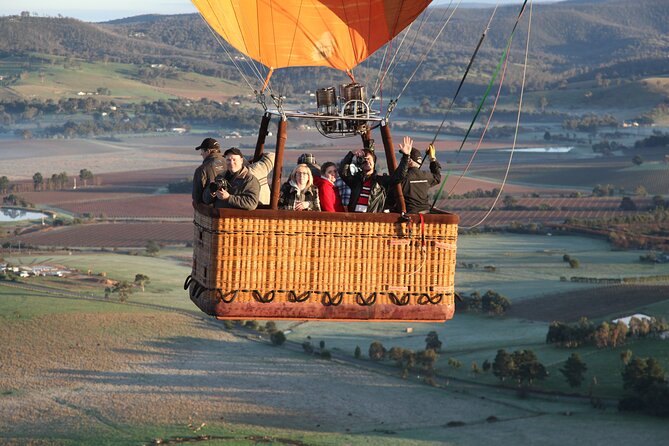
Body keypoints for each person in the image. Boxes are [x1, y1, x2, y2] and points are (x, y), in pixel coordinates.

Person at [338, 136, 411, 213]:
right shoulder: (356, 181)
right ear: (360, 163)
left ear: (374, 162)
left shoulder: (381, 182)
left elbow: (399, 176)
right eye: (364, 160)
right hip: (355, 219)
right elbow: (343, 172)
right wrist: (352, 154)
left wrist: (406, 157)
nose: (367, 162)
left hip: (372, 220)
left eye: (369, 159)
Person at [399, 143, 441, 213]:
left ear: (409, 161)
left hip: (410, 215)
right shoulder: (426, 176)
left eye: (403, 158)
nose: (401, 160)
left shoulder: (402, 178)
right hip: (426, 213)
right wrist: (432, 159)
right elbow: (437, 177)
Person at [192, 137, 225, 205]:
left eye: (202, 151)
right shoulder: (230, 162)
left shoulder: (201, 169)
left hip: (211, 209)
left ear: (208, 151)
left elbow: (196, 197)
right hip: (229, 206)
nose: (201, 154)